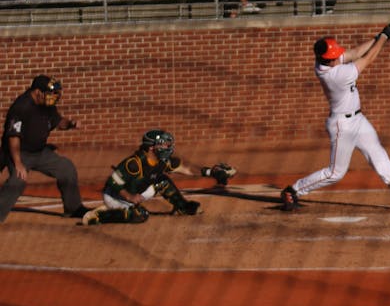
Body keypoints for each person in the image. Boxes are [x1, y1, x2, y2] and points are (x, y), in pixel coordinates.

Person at [280, 29, 390, 212]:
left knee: (378, 154)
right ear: (328, 59)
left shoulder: (325, 62)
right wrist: (384, 39)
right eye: (335, 56)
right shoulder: (336, 75)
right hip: (343, 126)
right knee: (335, 173)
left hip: (358, 119)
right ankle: (293, 190)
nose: (339, 56)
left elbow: (356, 52)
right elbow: (368, 59)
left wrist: (379, 37)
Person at [83, 130, 236, 225]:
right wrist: (129, 196)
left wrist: (211, 172)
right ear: (151, 147)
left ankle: (182, 206)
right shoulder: (134, 163)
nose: (167, 148)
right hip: (117, 196)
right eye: (163, 145)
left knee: (162, 180)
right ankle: (100, 216)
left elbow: (186, 167)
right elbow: (113, 183)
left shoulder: (161, 161)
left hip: (138, 192)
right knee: (139, 215)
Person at [0, 76, 88, 223]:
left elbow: (58, 122)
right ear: (38, 92)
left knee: (66, 168)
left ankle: (73, 209)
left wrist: (71, 123)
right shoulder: (21, 107)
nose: (52, 98)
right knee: (18, 180)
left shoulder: (46, 105)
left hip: (40, 152)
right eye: (49, 94)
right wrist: (18, 163)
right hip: (19, 153)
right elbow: (13, 137)